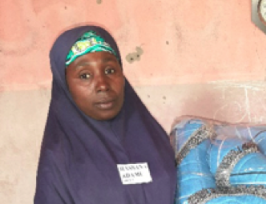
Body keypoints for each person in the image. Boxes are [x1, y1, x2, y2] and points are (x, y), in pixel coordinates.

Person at [34, 25, 176, 204]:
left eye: (110, 70)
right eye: (85, 75)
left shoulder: (153, 138)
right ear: (65, 86)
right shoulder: (59, 162)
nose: (102, 85)